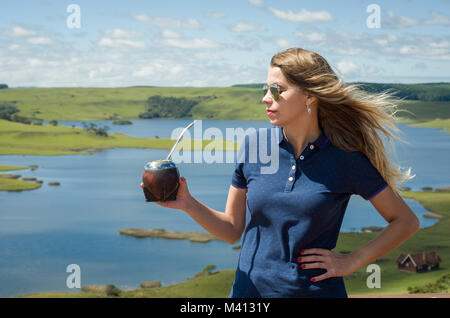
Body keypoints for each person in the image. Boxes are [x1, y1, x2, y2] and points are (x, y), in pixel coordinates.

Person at [154, 47, 420, 298]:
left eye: (276, 90)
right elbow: (232, 229)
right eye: (266, 89)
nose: (265, 98)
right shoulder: (254, 145)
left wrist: (353, 260)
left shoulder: (345, 158)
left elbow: (405, 221)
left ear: (310, 96)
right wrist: (187, 203)